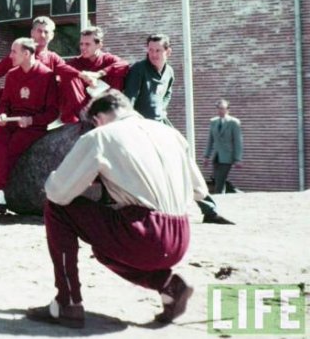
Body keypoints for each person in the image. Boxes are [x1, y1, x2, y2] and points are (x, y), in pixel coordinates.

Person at [26, 91, 207, 329]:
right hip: (180, 235)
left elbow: (58, 192)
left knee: (58, 208)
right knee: (105, 251)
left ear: (99, 118)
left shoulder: (100, 136)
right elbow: (200, 191)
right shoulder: (171, 134)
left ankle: (67, 302)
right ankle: (169, 286)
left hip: (144, 233)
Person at [125, 33, 234, 225]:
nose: (154, 54)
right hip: (141, 126)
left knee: (185, 160)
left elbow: (166, 94)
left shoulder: (170, 72)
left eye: (158, 50)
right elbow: (129, 100)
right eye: (150, 50)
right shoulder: (138, 69)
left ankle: (209, 210)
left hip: (162, 124)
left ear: (168, 51)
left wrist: (162, 110)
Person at [0, 37, 59, 218]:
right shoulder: (13, 74)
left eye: (14, 51)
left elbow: (53, 112)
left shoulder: (47, 76)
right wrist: (3, 115)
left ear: (26, 53)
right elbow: (5, 103)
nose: (10, 55)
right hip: (11, 123)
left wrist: (32, 120)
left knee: (10, 150)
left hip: (32, 127)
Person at [57, 26, 129, 124]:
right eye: (81, 44)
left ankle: (111, 112)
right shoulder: (77, 62)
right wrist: (82, 75)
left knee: (117, 73)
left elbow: (124, 64)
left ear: (99, 45)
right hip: (83, 108)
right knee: (69, 76)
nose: (83, 47)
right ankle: (84, 116)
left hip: (104, 103)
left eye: (87, 44)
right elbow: (60, 68)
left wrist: (99, 74)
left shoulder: (108, 59)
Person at [0, 16, 67, 101]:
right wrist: (3, 96)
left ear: (52, 35)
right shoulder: (20, 55)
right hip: (19, 108)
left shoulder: (54, 59)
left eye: (46, 32)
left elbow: (68, 78)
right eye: (39, 31)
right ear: (32, 33)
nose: (42, 35)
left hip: (43, 110)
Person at [204, 99, 243, 194]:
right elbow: (210, 140)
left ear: (227, 110)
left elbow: (238, 142)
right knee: (218, 178)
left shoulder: (234, 122)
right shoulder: (213, 122)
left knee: (220, 179)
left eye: (223, 109)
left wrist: (238, 159)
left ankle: (219, 196)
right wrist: (206, 156)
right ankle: (224, 195)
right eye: (218, 108)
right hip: (216, 156)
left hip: (227, 156)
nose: (220, 111)